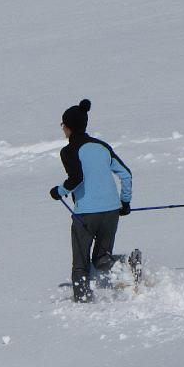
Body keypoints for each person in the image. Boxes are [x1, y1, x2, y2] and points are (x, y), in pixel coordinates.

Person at [48, 99, 132, 302]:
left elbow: (76, 179)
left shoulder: (68, 151)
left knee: (81, 263)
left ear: (68, 127)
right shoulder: (102, 146)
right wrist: (125, 203)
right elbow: (126, 174)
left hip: (86, 215)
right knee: (102, 258)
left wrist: (58, 191)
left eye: (63, 125)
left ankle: (83, 300)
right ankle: (128, 265)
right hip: (111, 211)